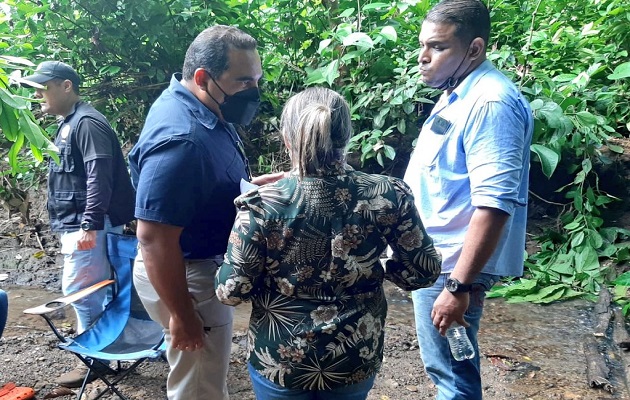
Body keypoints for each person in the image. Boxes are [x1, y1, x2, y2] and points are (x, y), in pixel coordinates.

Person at [215, 87, 442, 400]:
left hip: (281, 357)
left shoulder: (260, 205)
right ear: (347, 136)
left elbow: (231, 291)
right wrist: (385, 269)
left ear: (287, 139)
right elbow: (424, 272)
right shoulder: (389, 194)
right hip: (354, 354)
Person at [128, 25, 281, 400]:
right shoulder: (181, 139)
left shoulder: (200, 105)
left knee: (206, 377)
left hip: (194, 266)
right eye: (243, 81)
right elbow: (152, 238)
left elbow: (197, 186)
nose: (253, 91)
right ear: (202, 77)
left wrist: (249, 187)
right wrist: (182, 315)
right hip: (187, 275)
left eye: (257, 79)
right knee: (198, 387)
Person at [402, 0, 534, 398]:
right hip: (436, 259)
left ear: (474, 49)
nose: (423, 58)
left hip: (450, 265)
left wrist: (458, 286)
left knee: (452, 377)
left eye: (438, 47)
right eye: (423, 45)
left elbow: (494, 205)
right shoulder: (459, 91)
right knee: (448, 368)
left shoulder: (491, 103)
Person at [22, 61, 136, 387]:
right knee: (91, 292)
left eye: (44, 86)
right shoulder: (69, 122)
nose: (37, 93)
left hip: (89, 227)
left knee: (81, 293)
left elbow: (99, 177)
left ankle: (94, 360)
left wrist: (89, 224)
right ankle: (104, 352)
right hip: (83, 225)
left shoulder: (87, 123)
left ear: (67, 85)